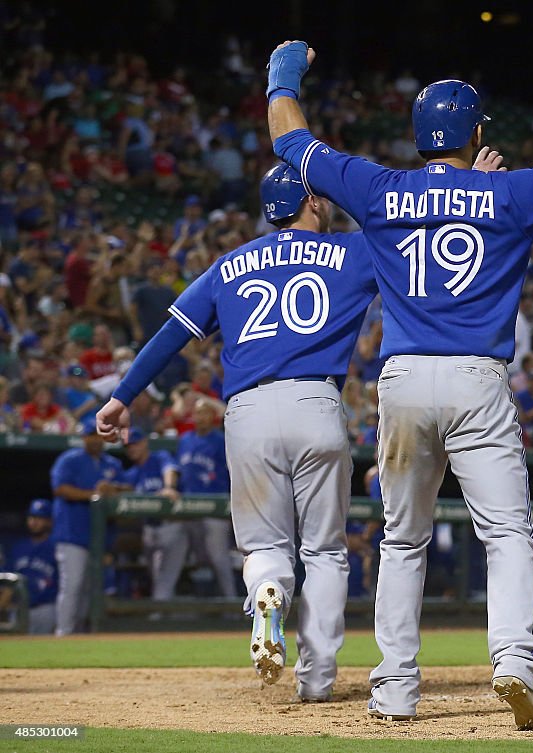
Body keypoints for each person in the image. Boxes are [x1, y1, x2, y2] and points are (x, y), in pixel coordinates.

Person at [265, 39, 533, 728]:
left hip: (402, 379)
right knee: (507, 534)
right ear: (478, 135)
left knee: (403, 540)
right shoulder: (513, 191)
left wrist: (283, 71)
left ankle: (396, 687)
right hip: (477, 379)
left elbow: (290, 139)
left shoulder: (381, 188)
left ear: (417, 135)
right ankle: (517, 664)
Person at [96, 163, 379, 702]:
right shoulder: (355, 250)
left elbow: (171, 334)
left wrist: (122, 396)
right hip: (315, 401)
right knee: (323, 550)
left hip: (247, 409)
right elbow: (420, 223)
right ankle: (316, 680)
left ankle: (267, 589)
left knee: (264, 546)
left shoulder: (229, 265)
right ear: (314, 203)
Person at [50, 418, 131, 635]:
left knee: (92, 589)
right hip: (72, 535)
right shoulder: (70, 460)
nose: (95, 440)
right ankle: (64, 633)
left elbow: (129, 488)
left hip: (100, 537)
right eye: (91, 435)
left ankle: (83, 634)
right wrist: (95, 495)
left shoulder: (112, 463)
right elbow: (61, 489)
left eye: (99, 436)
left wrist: (113, 488)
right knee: (73, 586)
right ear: (83, 438)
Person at [177, 398, 236, 599]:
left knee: (219, 558)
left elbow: (231, 472)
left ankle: (230, 602)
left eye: (204, 412)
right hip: (189, 507)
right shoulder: (185, 439)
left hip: (215, 505)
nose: (200, 417)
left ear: (213, 417)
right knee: (198, 559)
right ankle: (201, 603)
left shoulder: (220, 440)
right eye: (197, 413)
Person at [122, 428, 182, 601]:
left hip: (172, 524)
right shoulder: (132, 474)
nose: (132, 449)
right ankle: (169, 616)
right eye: (128, 446)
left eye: (135, 444)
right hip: (150, 529)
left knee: (164, 578)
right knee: (158, 578)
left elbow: (170, 469)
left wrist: (169, 487)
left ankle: (159, 618)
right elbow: (124, 490)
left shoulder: (159, 457)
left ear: (144, 443)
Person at [7, 499, 58, 634]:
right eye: (32, 517)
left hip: (46, 609)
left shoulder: (57, 548)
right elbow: (8, 583)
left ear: (50, 521)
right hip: (18, 609)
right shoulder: (18, 547)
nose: (34, 522)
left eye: (40, 518)